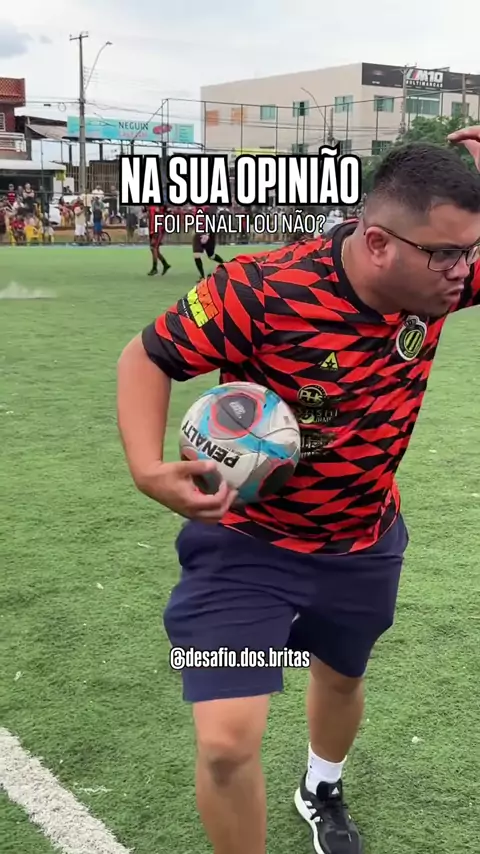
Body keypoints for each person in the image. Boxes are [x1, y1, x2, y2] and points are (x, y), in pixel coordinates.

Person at [116, 127, 480, 854]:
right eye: (449, 254)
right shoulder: (258, 290)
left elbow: (458, 255)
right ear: (378, 243)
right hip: (244, 547)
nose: (464, 273)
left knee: (340, 677)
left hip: (363, 541)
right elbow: (147, 355)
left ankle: (321, 785)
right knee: (226, 743)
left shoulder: (441, 276)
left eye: (472, 252)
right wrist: (146, 468)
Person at [192, 204, 224, 281]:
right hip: (198, 232)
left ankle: (226, 265)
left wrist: (207, 234)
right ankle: (202, 276)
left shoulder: (211, 207)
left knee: (211, 255)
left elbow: (213, 220)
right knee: (196, 255)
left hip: (209, 232)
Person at [147, 203, 171, 276]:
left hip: (157, 230)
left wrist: (156, 232)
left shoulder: (158, 207)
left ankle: (155, 268)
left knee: (153, 248)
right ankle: (165, 264)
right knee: (154, 249)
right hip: (152, 229)